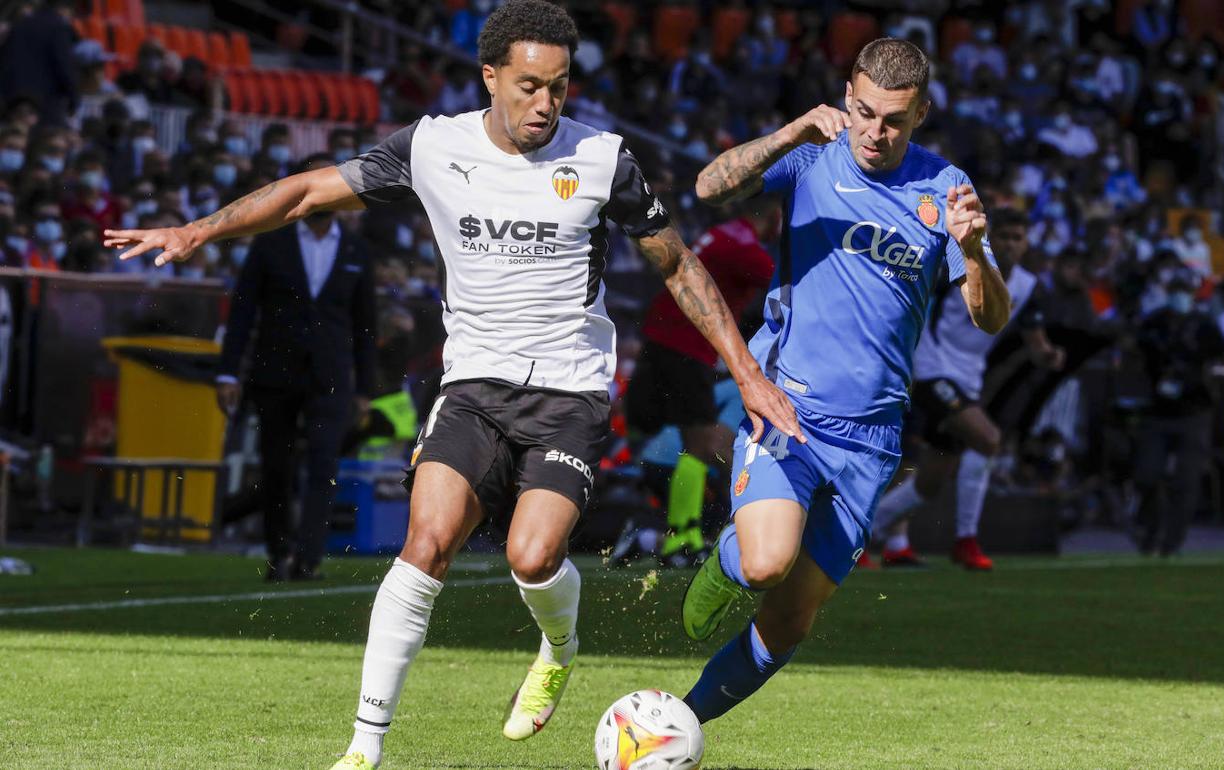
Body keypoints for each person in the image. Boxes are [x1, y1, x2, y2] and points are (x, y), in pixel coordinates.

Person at [102, 2, 799, 767]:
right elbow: (305, 192)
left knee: (532, 558)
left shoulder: (602, 158)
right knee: (425, 542)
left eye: (559, 88)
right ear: (490, 75)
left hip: (568, 394)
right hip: (471, 385)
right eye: (529, 86)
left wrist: (747, 372)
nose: (545, 104)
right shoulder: (433, 146)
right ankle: (363, 751)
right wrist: (197, 229)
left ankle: (559, 647)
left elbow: (678, 266)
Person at [677, 38, 1011, 726]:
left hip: (872, 441)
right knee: (767, 564)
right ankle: (727, 562)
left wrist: (974, 252)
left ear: (921, 111)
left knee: (790, 620)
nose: (873, 132)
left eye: (892, 119)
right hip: (788, 408)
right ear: (847, 97)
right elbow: (708, 188)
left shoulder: (945, 187)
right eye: (862, 112)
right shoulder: (810, 157)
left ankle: (677, 724)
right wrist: (794, 128)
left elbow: (989, 318)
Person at [870, 207, 1066, 570]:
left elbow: (1036, 344)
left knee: (929, 482)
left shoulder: (1026, 286)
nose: (1010, 244)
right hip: (931, 369)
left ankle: (862, 534)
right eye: (1003, 236)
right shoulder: (959, 265)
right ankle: (965, 540)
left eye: (1017, 238)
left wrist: (1050, 355)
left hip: (968, 379)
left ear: (1025, 244)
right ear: (990, 238)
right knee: (988, 439)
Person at [215, 153, 377, 583]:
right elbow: (243, 311)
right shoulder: (271, 241)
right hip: (275, 375)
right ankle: (277, 553)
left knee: (324, 468)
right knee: (276, 467)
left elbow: (365, 326)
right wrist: (228, 372)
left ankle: (309, 559)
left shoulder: (358, 249)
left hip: (331, 378)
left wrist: (365, 389)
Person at [624, 199, 780, 565]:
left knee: (654, 435)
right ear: (771, 212)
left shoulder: (720, 235)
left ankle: (655, 534)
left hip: (659, 337)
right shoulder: (745, 248)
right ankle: (682, 538)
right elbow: (784, 286)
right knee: (699, 444)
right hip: (689, 348)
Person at [1132, 275, 1224, 556]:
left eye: (1185, 290)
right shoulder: (1154, 323)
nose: (1180, 295)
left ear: (1193, 293)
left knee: (1186, 481)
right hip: (1159, 410)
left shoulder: (1204, 326)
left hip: (1195, 410)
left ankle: (1170, 543)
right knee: (1147, 475)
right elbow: (1135, 351)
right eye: (1176, 289)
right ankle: (1153, 529)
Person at [0, 0, 77, 126]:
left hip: (16, 99)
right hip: (47, 101)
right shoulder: (58, 27)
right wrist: (73, 97)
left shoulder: (19, 25)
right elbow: (64, 66)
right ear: (64, 9)